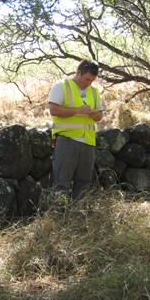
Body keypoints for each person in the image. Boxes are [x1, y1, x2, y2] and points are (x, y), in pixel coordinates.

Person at [48, 59, 104, 201]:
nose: (88, 83)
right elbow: (53, 110)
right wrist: (77, 110)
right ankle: (58, 216)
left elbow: (100, 116)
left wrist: (95, 115)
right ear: (78, 72)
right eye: (86, 79)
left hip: (88, 141)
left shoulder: (94, 91)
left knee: (84, 181)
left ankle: (77, 215)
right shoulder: (61, 86)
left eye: (92, 80)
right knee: (62, 182)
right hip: (67, 140)